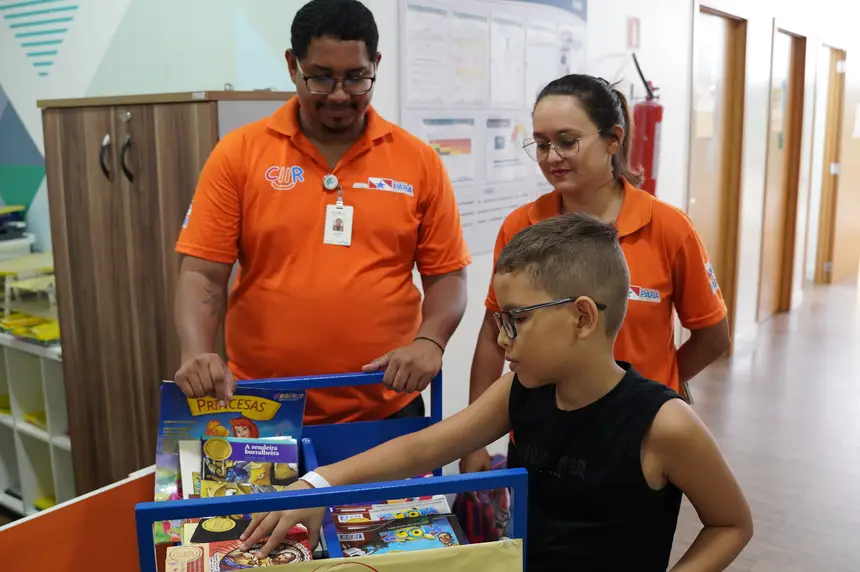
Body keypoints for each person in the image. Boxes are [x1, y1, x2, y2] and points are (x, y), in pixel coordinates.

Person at [237, 214, 753, 571]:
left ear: (581, 317)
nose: (501, 339)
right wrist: (318, 484)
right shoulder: (521, 391)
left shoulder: (663, 424)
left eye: (516, 321)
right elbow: (425, 447)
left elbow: (731, 524)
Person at [173, 0, 470, 425]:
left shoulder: (418, 161)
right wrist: (198, 354)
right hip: (265, 408)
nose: (338, 95)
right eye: (320, 78)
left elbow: (448, 276)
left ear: (376, 65)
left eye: (356, 78)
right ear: (293, 65)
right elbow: (202, 272)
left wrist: (431, 340)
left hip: (387, 407)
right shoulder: (238, 154)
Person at [461, 74, 731, 473]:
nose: (552, 156)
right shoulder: (522, 226)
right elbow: (493, 333)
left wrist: (649, 388)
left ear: (613, 139)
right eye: (540, 143)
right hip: (540, 432)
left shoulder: (669, 228)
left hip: (635, 437)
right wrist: (474, 442)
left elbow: (713, 336)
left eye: (567, 141)